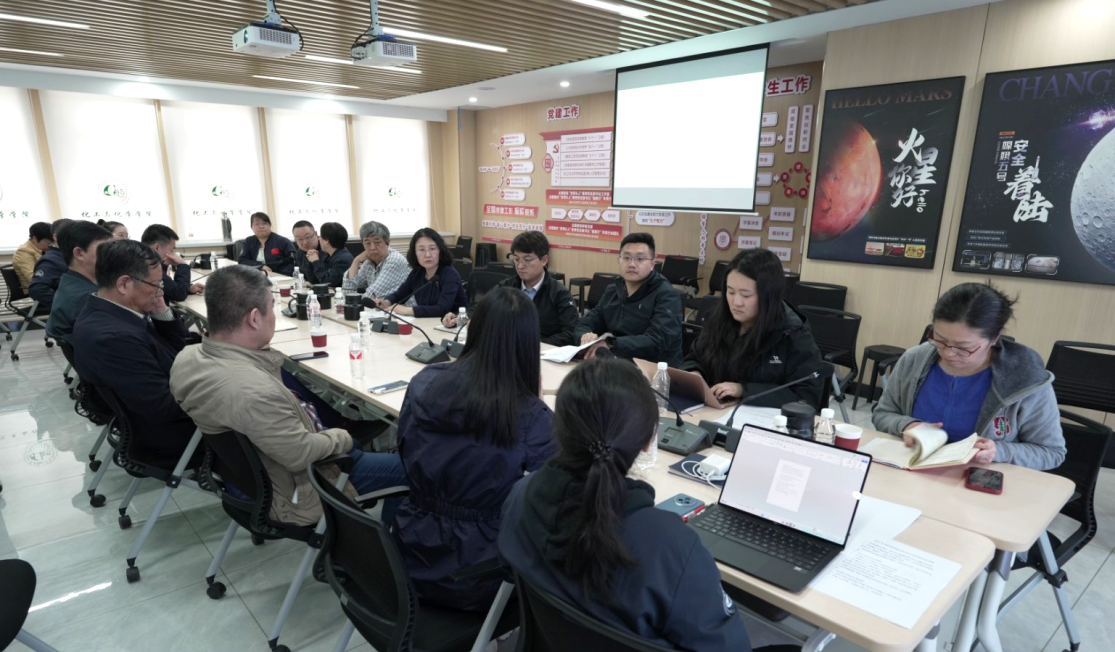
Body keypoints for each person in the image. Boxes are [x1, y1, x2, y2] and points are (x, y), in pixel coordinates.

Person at [500, 359, 783, 652]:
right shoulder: (671, 546)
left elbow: (511, 573)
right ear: (649, 440)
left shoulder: (521, 496)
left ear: (557, 426)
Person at [170, 265, 407, 526]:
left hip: (250, 479)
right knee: (419, 468)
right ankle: (395, 544)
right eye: (271, 307)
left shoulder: (186, 359)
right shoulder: (255, 392)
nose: (274, 314)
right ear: (254, 318)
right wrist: (342, 437)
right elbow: (301, 453)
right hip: (303, 485)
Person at [395, 287, 556, 611]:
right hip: (478, 575)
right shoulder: (528, 414)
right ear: (529, 344)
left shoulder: (425, 380)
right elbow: (559, 490)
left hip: (409, 553)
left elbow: (402, 448)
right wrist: (538, 406)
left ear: (471, 329)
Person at [872, 282, 1066, 471]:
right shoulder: (915, 359)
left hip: (976, 480)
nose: (948, 353)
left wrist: (999, 451)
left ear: (995, 337)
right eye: (940, 340)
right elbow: (882, 414)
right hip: (911, 472)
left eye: (964, 347)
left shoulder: (1026, 379)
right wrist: (907, 425)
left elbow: (1052, 453)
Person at [70, 240, 198, 465]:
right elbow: (164, 407)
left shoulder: (106, 312)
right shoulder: (116, 339)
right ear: (124, 284)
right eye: (156, 284)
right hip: (172, 436)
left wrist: (161, 311)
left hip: (159, 410)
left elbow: (175, 351)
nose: (160, 291)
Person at [682, 249, 824, 408]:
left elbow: (806, 395)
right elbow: (695, 358)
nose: (736, 302)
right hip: (714, 411)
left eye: (746, 295)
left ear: (768, 295)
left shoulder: (793, 334)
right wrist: (694, 374)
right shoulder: (718, 320)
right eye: (730, 292)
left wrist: (743, 390)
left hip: (763, 418)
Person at [442, 230, 578, 346]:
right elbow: (481, 308)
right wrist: (458, 317)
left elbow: (570, 334)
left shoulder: (560, 294)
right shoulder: (506, 286)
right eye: (516, 259)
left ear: (544, 260)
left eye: (527, 259)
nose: (520, 266)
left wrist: (531, 343)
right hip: (506, 351)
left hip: (542, 354)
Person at [573, 232, 683, 367]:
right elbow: (587, 321)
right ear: (618, 260)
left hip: (655, 370)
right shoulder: (613, 290)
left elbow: (656, 341)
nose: (632, 264)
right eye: (626, 258)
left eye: (640, 259)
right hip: (619, 362)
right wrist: (584, 336)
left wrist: (611, 344)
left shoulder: (666, 295)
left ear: (652, 264)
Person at [374, 228, 466, 317]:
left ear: (440, 251)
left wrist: (407, 310)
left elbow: (442, 309)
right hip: (428, 322)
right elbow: (400, 294)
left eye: (432, 249)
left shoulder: (449, 274)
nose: (427, 255)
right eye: (422, 250)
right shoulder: (417, 272)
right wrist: (387, 302)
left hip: (454, 322)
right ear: (415, 253)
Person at [45, 221, 112, 342]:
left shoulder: (70, 281)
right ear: (79, 253)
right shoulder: (87, 298)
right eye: (104, 249)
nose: (111, 255)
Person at [341, 220, 410, 302]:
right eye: (367, 243)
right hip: (382, 309)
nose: (372, 248)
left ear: (388, 242)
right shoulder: (369, 262)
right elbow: (347, 291)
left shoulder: (394, 261)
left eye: (377, 242)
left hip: (403, 309)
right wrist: (356, 260)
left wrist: (352, 298)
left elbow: (371, 296)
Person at [141, 224, 204, 302]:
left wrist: (188, 288)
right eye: (171, 250)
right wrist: (183, 265)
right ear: (157, 248)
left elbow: (168, 289)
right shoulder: (149, 268)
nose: (173, 254)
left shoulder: (143, 261)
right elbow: (179, 294)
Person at [28, 218, 74, 309]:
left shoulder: (69, 255)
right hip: (71, 307)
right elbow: (38, 289)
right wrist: (66, 306)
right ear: (55, 238)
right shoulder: (51, 261)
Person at [237, 212, 296, 276]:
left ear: (270, 225)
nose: (261, 226)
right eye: (257, 224)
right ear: (251, 227)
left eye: (264, 223)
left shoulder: (283, 241)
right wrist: (260, 266)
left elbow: (294, 261)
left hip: (280, 276)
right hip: (256, 276)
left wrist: (280, 275)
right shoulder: (249, 241)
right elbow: (242, 260)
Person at [306, 222, 354, 288]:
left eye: (320, 237)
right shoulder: (327, 255)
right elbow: (315, 281)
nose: (319, 239)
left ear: (326, 241)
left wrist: (315, 262)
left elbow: (328, 283)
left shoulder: (343, 259)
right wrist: (311, 262)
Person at [13, 222, 53, 290]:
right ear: (35, 238)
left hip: (48, 285)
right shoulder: (23, 252)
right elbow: (32, 278)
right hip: (36, 289)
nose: (50, 245)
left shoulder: (43, 250)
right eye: (47, 242)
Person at [291, 220, 324, 285]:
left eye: (308, 237)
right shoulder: (299, 252)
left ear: (315, 234)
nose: (305, 242)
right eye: (300, 239)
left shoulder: (326, 250)